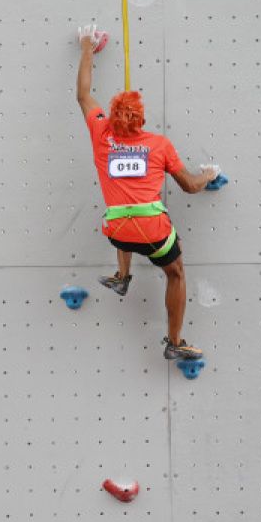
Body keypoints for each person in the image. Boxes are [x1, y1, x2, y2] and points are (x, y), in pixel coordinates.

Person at [74, 24, 218, 362]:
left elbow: (82, 94)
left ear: (111, 116)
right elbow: (189, 186)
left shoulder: (101, 131)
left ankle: (123, 275)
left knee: (121, 214)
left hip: (117, 232)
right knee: (175, 272)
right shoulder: (158, 144)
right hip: (153, 233)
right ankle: (176, 341)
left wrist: (86, 46)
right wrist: (208, 175)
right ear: (141, 120)